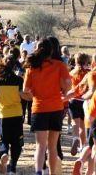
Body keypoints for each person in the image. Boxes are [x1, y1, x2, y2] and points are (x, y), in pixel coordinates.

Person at [23, 39, 71, 175]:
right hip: (56, 108)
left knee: (40, 145)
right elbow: (68, 84)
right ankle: (52, 172)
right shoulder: (60, 65)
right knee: (52, 146)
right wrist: (63, 91)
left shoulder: (31, 67)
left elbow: (25, 90)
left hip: (39, 108)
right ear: (52, 51)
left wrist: (35, 94)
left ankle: (39, 171)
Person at [71, 49, 96, 175]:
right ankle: (92, 171)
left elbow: (77, 90)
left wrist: (80, 97)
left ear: (95, 61)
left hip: (90, 111)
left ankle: (82, 161)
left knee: (91, 142)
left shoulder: (91, 74)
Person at [0, 56, 25, 174]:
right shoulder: (19, 80)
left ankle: (4, 153)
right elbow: (23, 95)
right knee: (17, 142)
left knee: (3, 140)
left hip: (3, 115)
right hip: (16, 114)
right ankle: (13, 166)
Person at [68, 53, 90, 156]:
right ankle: (82, 146)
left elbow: (69, 87)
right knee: (82, 126)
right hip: (84, 101)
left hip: (73, 100)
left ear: (76, 61)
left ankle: (75, 139)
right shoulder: (89, 73)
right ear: (86, 61)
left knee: (75, 124)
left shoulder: (72, 72)